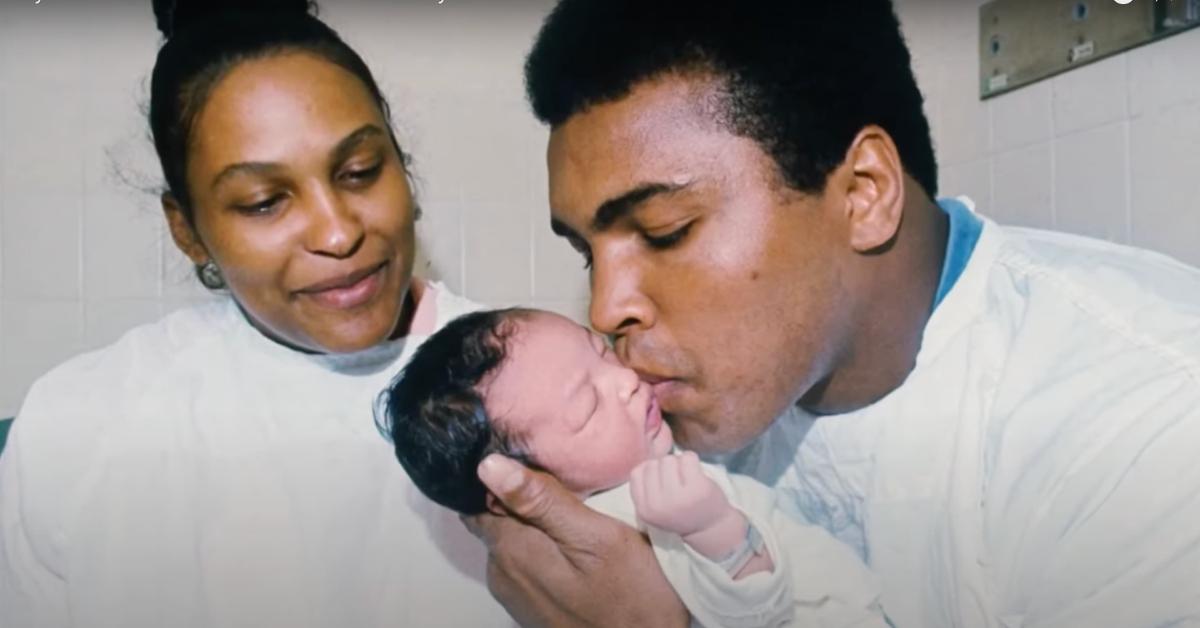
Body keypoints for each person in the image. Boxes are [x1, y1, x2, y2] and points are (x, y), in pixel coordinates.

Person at [464, 0, 1200, 626]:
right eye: (589, 254)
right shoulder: (657, 418)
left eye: (665, 230)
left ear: (863, 193)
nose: (605, 309)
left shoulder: (1149, 422)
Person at [0, 1, 510, 626]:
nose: (337, 232)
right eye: (264, 202)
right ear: (187, 230)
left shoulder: (549, 380)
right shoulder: (81, 427)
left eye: (359, 171)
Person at [377, 307, 886, 627]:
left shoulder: (642, 473)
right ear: (521, 486)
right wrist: (715, 532)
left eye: (600, 351)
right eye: (588, 407)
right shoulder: (628, 523)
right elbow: (757, 617)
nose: (623, 381)